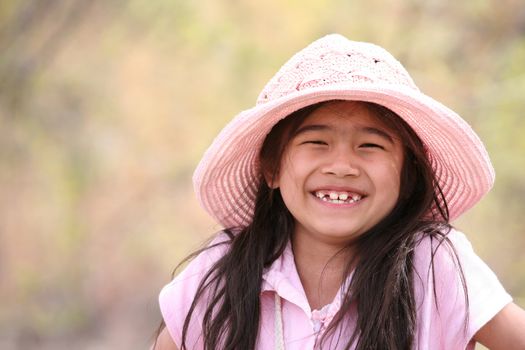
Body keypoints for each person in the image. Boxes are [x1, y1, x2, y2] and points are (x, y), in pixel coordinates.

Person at [153, 34, 525, 349]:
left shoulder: (434, 263)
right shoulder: (223, 273)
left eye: (371, 146)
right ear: (272, 167)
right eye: (316, 142)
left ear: (408, 174)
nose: (342, 165)